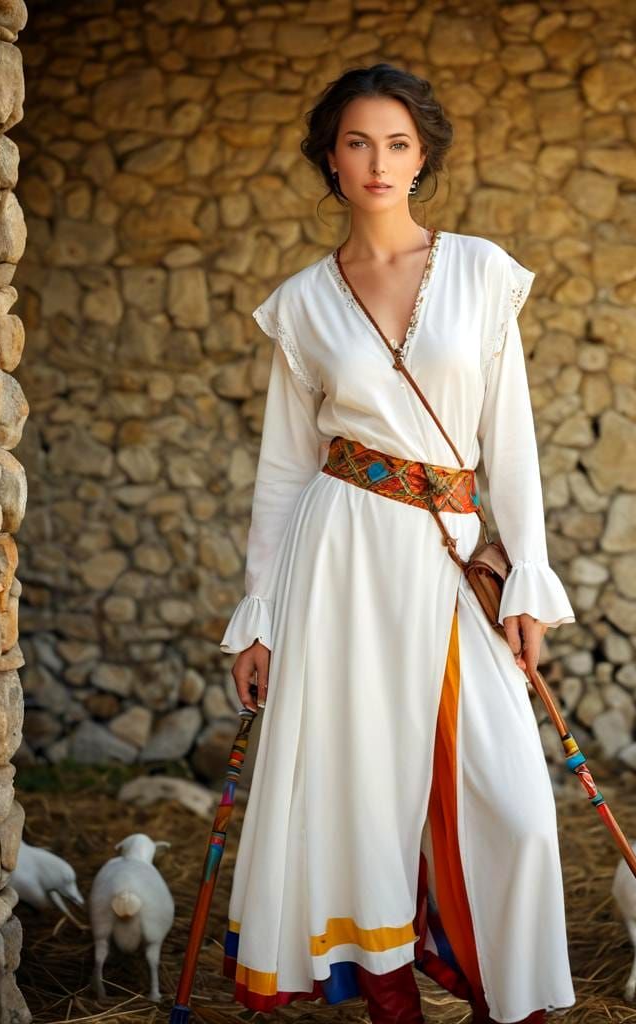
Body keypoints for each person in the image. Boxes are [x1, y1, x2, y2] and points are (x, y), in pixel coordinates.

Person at [219, 63, 577, 1024]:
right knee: (358, 793)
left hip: (451, 562)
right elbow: (285, 472)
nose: (378, 162)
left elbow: (514, 443)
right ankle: (389, 1002)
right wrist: (257, 618)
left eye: (398, 143)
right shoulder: (300, 303)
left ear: (423, 160)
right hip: (337, 561)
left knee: (517, 803)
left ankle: (516, 998)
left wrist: (527, 582)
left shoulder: (481, 272)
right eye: (357, 142)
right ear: (330, 161)